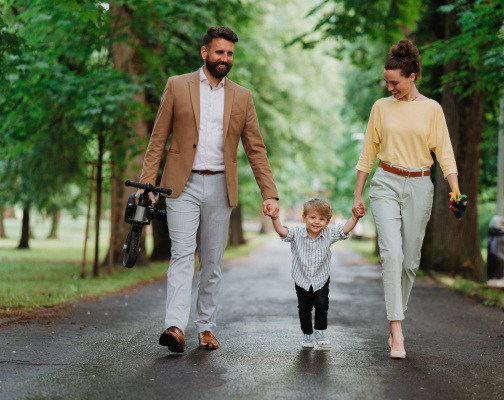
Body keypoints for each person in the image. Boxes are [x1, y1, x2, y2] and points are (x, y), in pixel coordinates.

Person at [136, 26, 279, 353]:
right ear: (205, 52)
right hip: (180, 186)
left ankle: (206, 328)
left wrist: (268, 193)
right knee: (182, 254)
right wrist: (149, 186)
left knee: (212, 262)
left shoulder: (242, 96)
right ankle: (174, 326)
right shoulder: (177, 85)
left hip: (220, 186)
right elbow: (158, 140)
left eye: (229, 54)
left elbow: (256, 149)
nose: (225, 59)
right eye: (219, 52)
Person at [352, 39, 460, 359]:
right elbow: (368, 152)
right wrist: (358, 193)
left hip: (419, 185)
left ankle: (396, 318)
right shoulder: (380, 108)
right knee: (393, 255)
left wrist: (454, 188)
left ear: (411, 77)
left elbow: (445, 153)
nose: (389, 88)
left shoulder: (432, 109)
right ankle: (396, 330)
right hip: (385, 181)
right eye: (386, 82)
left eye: (395, 82)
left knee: (411, 261)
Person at [270, 198, 365, 348]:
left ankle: (319, 331)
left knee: (322, 304)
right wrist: (275, 218)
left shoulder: (328, 234)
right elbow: (281, 231)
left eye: (321, 219)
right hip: (302, 278)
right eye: (312, 217)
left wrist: (355, 218)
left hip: (321, 278)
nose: (316, 222)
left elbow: (344, 230)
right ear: (304, 218)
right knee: (304, 307)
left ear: (327, 222)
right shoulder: (296, 233)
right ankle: (307, 334)